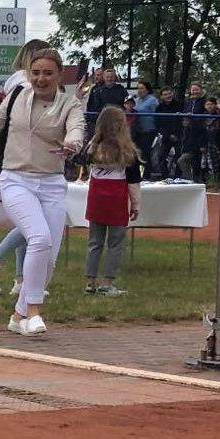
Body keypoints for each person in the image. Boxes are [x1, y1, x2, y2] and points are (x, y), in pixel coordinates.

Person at [0, 47, 85, 336]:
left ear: (59, 75)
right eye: (35, 73)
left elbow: (76, 131)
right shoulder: (16, 97)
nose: (40, 78)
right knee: (39, 238)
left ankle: (18, 315)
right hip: (16, 180)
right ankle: (34, 309)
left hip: (52, 183)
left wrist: (72, 144)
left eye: (48, 73)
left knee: (48, 258)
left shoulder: (70, 105)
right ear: (28, 74)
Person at [0, 38, 50, 296]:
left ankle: (21, 280)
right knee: (34, 223)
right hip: (23, 160)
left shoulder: (18, 83)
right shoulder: (24, 87)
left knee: (30, 222)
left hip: (24, 159)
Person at [83, 106, 142, 297]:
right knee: (115, 243)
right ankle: (107, 283)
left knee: (94, 242)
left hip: (96, 199)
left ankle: (90, 282)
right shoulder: (127, 151)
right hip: (116, 201)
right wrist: (135, 205)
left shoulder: (92, 148)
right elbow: (133, 183)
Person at [132, 80, 158, 173]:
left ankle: (147, 173)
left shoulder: (152, 100)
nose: (139, 90)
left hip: (148, 130)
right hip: (137, 130)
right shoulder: (136, 100)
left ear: (147, 89)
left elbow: (157, 115)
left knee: (145, 152)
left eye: (142, 88)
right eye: (138, 88)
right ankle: (138, 172)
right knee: (137, 152)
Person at [173, 114, 207, 181]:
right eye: (183, 121)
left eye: (187, 120)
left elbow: (199, 139)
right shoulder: (181, 130)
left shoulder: (194, 129)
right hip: (182, 150)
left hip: (191, 151)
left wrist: (198, 147)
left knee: (181, 160)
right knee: (181, 161)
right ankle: (189, 177)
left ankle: (189, 178)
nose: (185, 122)